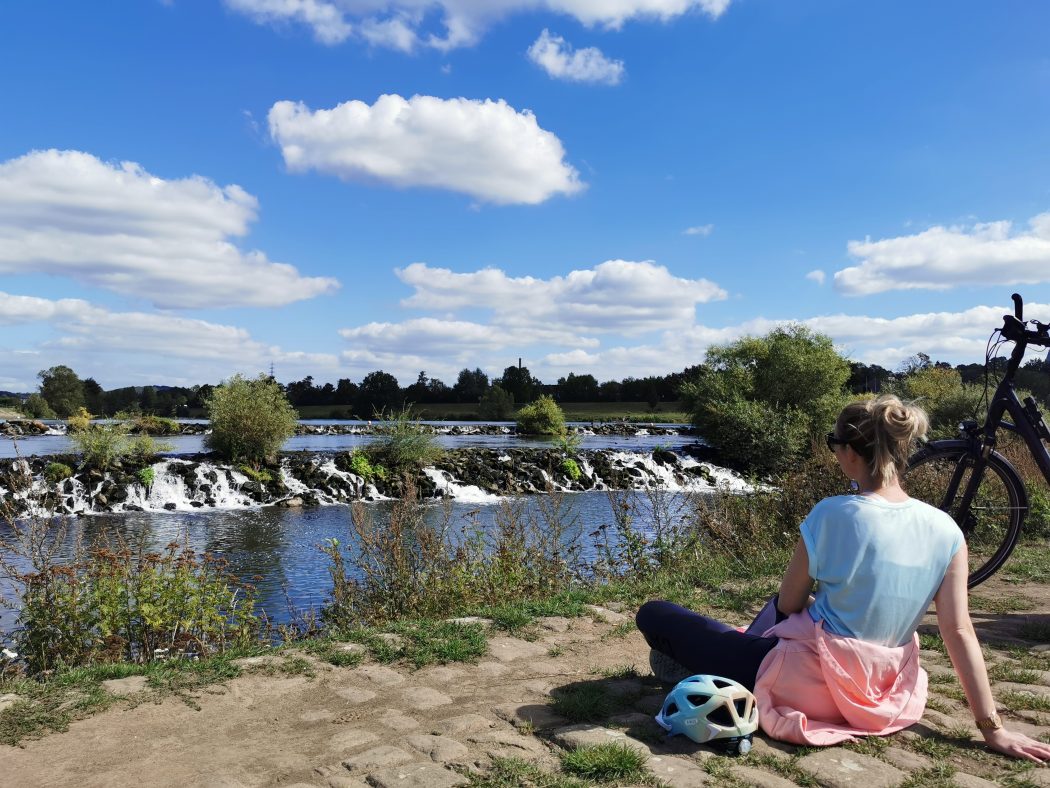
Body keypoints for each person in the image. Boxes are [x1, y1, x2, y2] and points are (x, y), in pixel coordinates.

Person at [636, 395, 1050, 761]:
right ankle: (724, 659)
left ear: (851, 452)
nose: (835, 454)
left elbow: (789, 604)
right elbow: (959, 631)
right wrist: (993, 728)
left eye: (835, 445)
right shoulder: (946, 530)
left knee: (655, 614)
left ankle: (715, 668)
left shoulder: (832, 513)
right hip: (883, 694)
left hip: (810, 687)